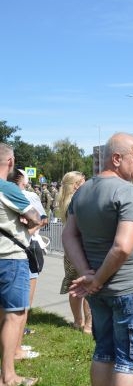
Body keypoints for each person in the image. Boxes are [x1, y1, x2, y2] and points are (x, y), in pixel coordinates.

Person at [62, 132, 133, 386]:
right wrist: (95, 280)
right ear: (116, 158)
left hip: (99, 291)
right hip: (130, 289)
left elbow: (69, 236)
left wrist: (88, 274)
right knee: (128, 362)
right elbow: (122, 248)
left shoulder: (83, 192)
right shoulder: (128, 191)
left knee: (104, 352)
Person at [0, 143, 42, 386]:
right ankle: (8, 376)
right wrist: (24, 219)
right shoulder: (8, 188)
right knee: (14, 315)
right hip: (11, 258)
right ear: (11, 162)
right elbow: (35, 218)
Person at [8, 169, 47, 361]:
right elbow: (38, 219)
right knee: (19, 308)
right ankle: (15, 349)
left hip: (13, 252)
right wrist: (30, 228)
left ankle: (14, 347)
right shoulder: (16, 194)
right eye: (24, 183)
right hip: (19, 252)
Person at [55, 171, 92, 335]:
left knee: (74, 286)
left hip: (70, 250)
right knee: (87, 286)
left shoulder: (64, 200)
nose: (86, 184)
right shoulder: (80, 201)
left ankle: (78, 321)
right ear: (76, 184)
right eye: (83, 181)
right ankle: (89, 326)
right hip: (84, 248)